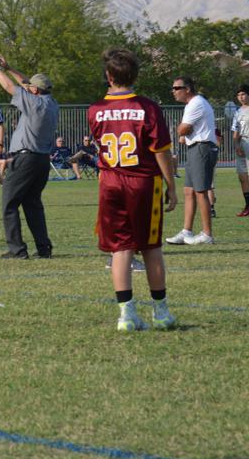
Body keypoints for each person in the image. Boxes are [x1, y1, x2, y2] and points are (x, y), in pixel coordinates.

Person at [89, 48, 177, 330]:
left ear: (109, 76)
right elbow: (160, 150)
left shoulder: (95, 110)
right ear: (135, 75)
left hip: (110, 182)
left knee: (120, 248)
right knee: (151, 247)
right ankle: (161, 312)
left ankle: (126, 315)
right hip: (142, 182)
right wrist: (171, 185)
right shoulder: (147, 107)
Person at [0, 55, 58, 259]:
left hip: (26, 159)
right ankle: (44, 248)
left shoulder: (34, 104)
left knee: (9, 203)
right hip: (42, 160)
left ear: (35, 91)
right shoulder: (52, 103)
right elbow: (26, 84)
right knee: (33, 205)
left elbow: (10, 87)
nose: (28, 87)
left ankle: (17, 249)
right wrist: (9, 67)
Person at [166, 77, 218, 245]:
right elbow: (184, 131)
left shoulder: (196, 103)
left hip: (202, 147)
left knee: (200, 191)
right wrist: (182, 131)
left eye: (176, 88)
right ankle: (186, 231)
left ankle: (207, 234)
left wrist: (181, 130)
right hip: (195, 148)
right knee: (189, 191)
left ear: (187, 89)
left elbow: (183, 129)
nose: (173, 91)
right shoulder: (192, 104)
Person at [232, 83, 249, 217]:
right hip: (241, 143)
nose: (241, 97)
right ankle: (248, 205)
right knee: (242, 176)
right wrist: (237, 145)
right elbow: (235, 129)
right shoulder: (238, 112)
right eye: (239, 95)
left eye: (243, 94)